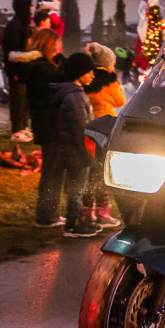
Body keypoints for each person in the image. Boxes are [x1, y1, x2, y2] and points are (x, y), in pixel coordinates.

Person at [11, 28, 66, 227]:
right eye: (56, 45)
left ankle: (51, 213)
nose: (58, 49)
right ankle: (47, 216)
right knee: (53, 171)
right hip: (51, 124)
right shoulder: (45, 69)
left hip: (45, 123)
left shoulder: (36, 67)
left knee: (53, 170)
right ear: (49, 45)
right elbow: (63, 81)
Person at [54, 53, 102, 238]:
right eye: (89, 72)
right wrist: (89, 152)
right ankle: (73, 223)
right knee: (77, 187)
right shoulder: (74, 97)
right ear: (80, 72)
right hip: (78, 151)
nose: (92, 76)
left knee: (77, 186)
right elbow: (81, 129)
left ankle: (77, 220)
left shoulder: (75, 93)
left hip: (77, 150)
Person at [82, 42, 124, 227]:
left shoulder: (86, 78)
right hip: (103, 130)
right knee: (101, 173)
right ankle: (103, 213)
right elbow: (120, 100)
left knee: (88, 173)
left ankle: (87, 211)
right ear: (108, 64)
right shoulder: (108, 81)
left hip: (86, 129)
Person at [2, 0, 34, 142]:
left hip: (26, 70)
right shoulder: (14, 26)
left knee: (26, 99)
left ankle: (24, 127)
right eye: (30, 6)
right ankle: (17, 129)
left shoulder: (24, 25)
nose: (32, 9)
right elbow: (11, 51)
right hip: (17, 70)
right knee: (18, 99)